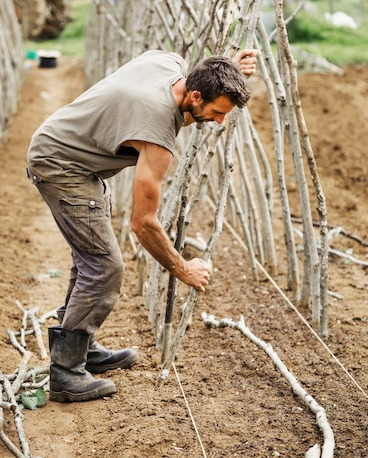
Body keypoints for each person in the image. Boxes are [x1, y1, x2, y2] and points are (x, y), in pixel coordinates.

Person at [26, 48, 258, 403]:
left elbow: (204, 74)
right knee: (104, 266)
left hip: (74, 155)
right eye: (216, 112)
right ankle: (65, 374)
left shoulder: (170, 64)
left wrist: (229, 64)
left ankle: (80, 349)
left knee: (91, 258)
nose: (218, 121)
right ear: (195, 96)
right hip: (60, 164)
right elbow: (143, 223)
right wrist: (183, 269)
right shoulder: (156, 131)